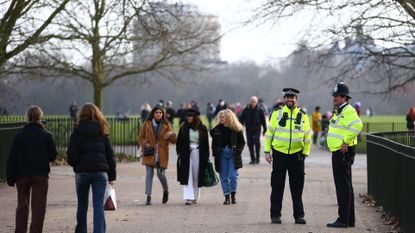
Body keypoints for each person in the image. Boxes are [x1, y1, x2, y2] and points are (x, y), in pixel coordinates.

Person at [7, 105, 57, 233]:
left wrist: (10, 177)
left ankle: (20, 230)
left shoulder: (19, 137)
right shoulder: (46, 135)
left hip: (22, 175)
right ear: (40, 117)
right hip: (40, 174)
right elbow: (53, 155)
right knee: (39, 208)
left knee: (22, 206)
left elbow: (12, 158)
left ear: (28, 117)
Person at [67, 103, 117, 233]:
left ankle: (81, 230)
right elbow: (110, 156)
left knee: (82, 205)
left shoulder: (77, 132)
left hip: (82, 173)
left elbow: (71, 155)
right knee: (98, 205)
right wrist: (112, 177)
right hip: (100, 173)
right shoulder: (103, 131)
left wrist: (77, 165)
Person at [264, 88, 311, 225]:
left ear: (296, 99)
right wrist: (267, 152)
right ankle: (275, 215)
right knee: (277, 186)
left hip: (297, 156)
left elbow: (307, 136)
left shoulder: (303, 116)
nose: (290, 99)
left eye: (292, 97)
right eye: (287, 97)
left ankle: (299, 216)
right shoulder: (277, 114)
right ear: (284, 99)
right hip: (279, 155)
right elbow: (269, 134)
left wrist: (305, 153)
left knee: (297, 188)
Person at [326, 82, 363, 228]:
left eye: (337, 95)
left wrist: (346, 141)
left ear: (344, 97)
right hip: (339, 151)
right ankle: (349, 219)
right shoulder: (339, 110)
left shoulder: (348, 110)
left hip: (342, 152)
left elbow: (358, 126)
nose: (334, 97)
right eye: (334, 95)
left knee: (343, 186)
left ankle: (343, 220)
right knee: (346, 185)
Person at [138, 106, 177, 205]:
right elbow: (140, 138)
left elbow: (173, 141)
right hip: (149, 152)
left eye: (160, 112)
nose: (158, 114)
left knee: (160, 174)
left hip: (161, 153)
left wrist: (172, 134)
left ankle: (166, 190)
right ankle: (148, 196)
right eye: (156, 112)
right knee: (149, 175)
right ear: (153, 114)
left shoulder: (166, 125)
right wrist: (145, 143)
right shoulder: (147, 124)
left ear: (163, 114)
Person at [210, 109, 245, 205]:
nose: (221, 119)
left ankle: (233, 194)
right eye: (220, 117)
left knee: (233, 176)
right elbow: (213, 142)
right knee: (223, 177)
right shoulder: (217, 130)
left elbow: (242, 142)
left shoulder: (236, 129)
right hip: (221, 154)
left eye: (223, 117)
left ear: (228, 118)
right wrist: (214, 152)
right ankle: (227, 196)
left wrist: (238, 151)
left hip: (233, 154)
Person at [176, 109, 209, 205]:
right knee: (187, 175)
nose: (189, 118)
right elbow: (179, 142)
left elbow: (206, 144)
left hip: (198, 153)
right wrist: (179, 153)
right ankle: (188, 197)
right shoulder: (184, 127)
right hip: (186, 153)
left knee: (196, 175)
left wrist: (206, 156)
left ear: (195, 117)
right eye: (188, 116)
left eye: (191, 116)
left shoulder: (202, 128)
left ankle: (195, 196)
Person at [239, 96, 267, 164]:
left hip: (257, 129)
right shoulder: (246, 109)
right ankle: (252, 159)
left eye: (254, 102)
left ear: (256, 102)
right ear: (250, 102)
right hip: (249, 129)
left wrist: (264, 129)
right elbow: (241, 119)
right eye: (252, 101)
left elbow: (263, 120)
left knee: (257, 142)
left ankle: (257, 158)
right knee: (250, 143)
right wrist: (240, 127)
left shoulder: (260, 110)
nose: (253, 103)